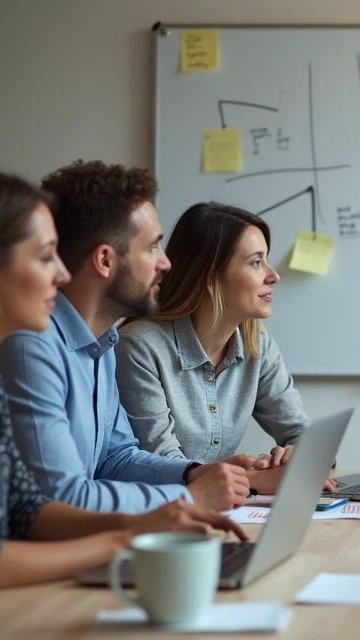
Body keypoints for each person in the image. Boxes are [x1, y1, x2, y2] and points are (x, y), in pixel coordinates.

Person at [0, 168, 245, 640]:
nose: (62, 273)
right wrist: (124, 537)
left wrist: (152, 519)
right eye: (44, 256)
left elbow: (26, 508)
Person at [0, 160, 268, 512]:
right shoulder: (31, 346)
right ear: (105, 260)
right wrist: (191, 497)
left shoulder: (103, 343)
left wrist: (194, 473)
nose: (166, 263)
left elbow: (117, 458)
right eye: (152, 247)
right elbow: (62, 498)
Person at [115, 202, 331, 492]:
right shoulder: (139, 348)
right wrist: (255, 480)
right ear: (210, 273)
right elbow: (162, 467)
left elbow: (302, 434)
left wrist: (295, 456)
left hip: (221, 509)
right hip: (160, 512)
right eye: (256, 262)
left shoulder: (257, 344)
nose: (273, 275)